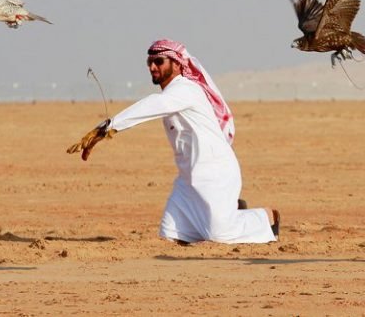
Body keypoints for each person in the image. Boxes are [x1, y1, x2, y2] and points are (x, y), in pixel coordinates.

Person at [67, 39, 279, 244]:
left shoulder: (185, 89)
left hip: (215, 172)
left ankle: (266, 217)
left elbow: (153, 104)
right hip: (187, 178)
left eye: (159, 61)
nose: (152, 67)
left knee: (219, 236)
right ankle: (229, 212)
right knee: (170, 236)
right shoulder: (173, 93)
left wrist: (107, 127)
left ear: (177, 64)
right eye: (149, 62)